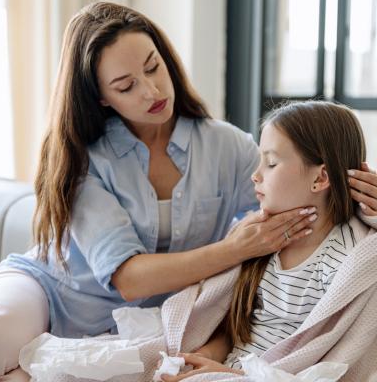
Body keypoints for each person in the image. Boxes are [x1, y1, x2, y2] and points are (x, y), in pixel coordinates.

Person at [0, 2, 375, 381]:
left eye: (154, 67)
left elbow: (301, 187)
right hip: (50, 292)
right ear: (101, 97)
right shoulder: (81, 158)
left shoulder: (224, 147)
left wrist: (364, 195)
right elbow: (128, 279)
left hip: (141, 322)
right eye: (126, 85)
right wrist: (234, 248)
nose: (151, 91)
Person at [160, 101, 377, 381]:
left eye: (271, 162)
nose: (256, 174)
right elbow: (235, 329)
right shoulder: (261, 241)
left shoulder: (346, 261)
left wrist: (226, 374)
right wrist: (205, 356)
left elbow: (318, 361)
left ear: (320, 177)